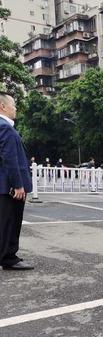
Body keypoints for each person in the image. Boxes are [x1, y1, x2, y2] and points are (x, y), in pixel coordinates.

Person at [0, 92, 34, 271]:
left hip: (5, 185)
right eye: (13, 105)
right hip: (10, 186)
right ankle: (9, 258)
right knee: (11, 222)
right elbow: (10, 159)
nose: (16, 108)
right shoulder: (5, 127)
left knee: (5, 222)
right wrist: (18, 185)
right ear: (3, 107)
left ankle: (6, 255)